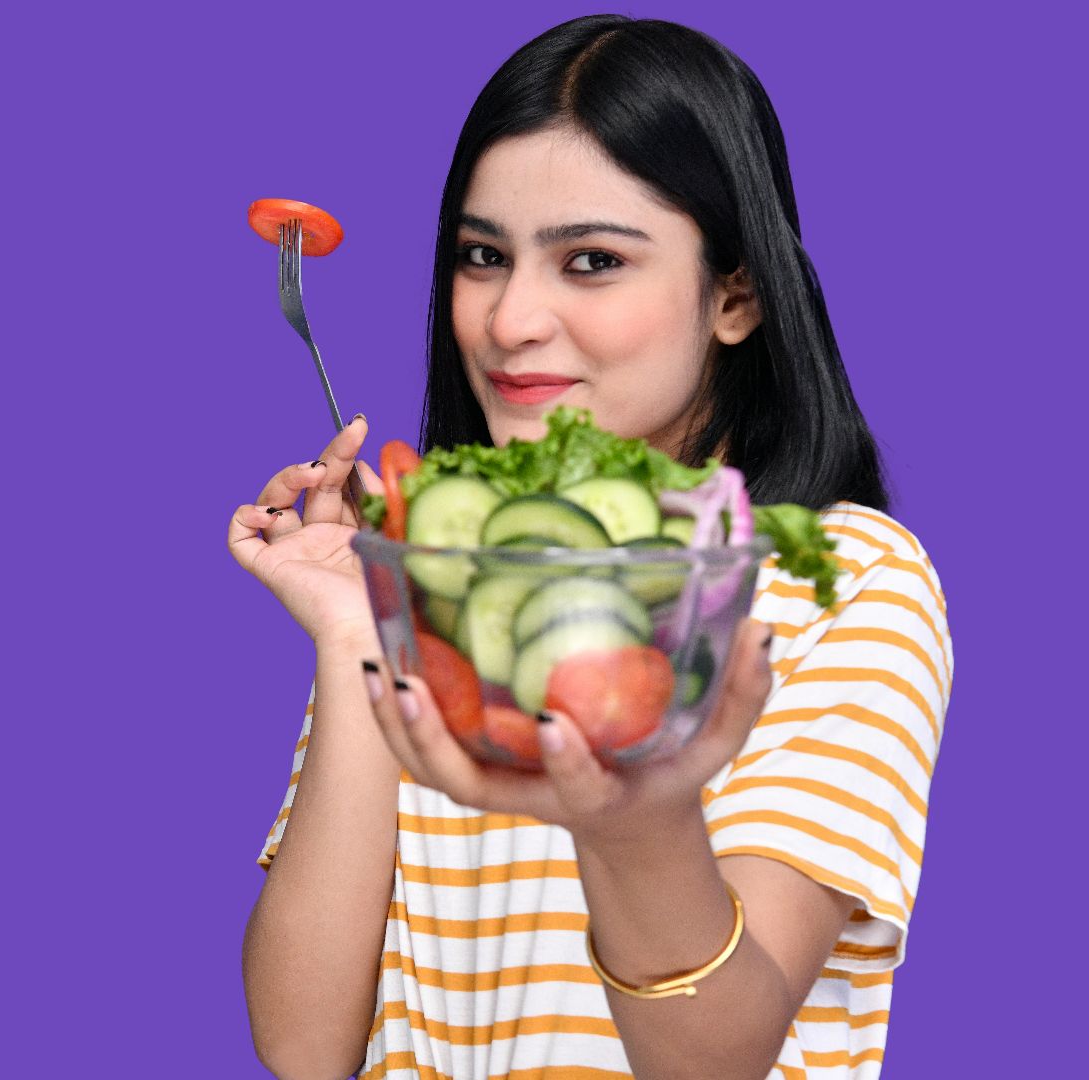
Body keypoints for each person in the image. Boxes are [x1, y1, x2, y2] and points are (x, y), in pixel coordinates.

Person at [227, 15, 954, 1080]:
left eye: (593, 261)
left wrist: (629, 817)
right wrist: (355, 638)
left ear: (737, 294)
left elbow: (714, 1061)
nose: (512, 318)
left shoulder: (833, 579)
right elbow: (302, 1048)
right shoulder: (431, 574)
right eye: (484, 256)